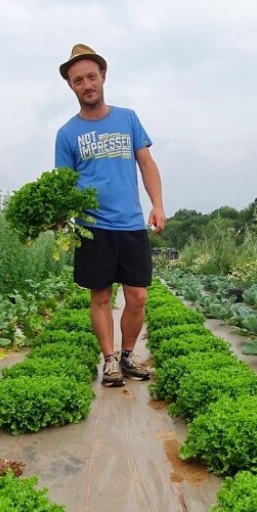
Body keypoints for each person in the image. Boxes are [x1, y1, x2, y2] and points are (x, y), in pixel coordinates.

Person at [55, 43, 166, 387]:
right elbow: (64, 184)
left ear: (103, 76)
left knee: (138, 296)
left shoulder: (127, 118)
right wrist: (58, 214)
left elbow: (146, 163)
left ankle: (129, 355)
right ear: (71, 86)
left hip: (131, 224)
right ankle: (110, 361)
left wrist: (158, 205)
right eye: (78, 80)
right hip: (92, 228)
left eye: (91, 76)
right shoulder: (67, 133)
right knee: (100, 296)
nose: (86, 84)